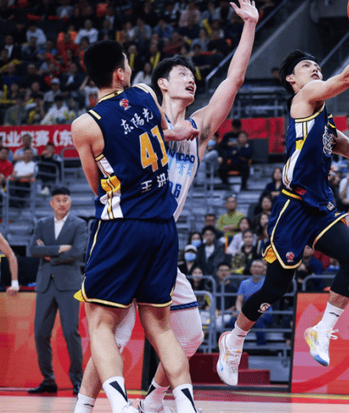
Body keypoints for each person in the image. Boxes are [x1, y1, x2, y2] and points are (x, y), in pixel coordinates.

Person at [216, 10, 349, 386]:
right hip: (293, 206)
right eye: (307, 66)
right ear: (292, 79)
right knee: (275, 288)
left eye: (317, 65)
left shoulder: (325, 120)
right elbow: (348, 78)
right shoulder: (303, 99)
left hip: (319, 206)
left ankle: (322, 329)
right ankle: (234, 339)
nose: (315, 68)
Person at [70, 40, 200, 413]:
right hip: (162, 228)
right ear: (121, 73)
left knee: (101, 326)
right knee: (161, 328)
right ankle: (188, 406)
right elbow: (164, 133)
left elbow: (96, 185)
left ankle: (120, 405)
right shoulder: (145, 94)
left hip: (121, 226)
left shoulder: (85, 125)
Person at [26, 187, 87, 396]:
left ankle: (78, 380)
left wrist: (48, 253)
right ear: (51, 203)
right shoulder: (42, 224)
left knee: (71, 332)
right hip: (45, 284)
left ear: (70, 202)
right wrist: (60, 249)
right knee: (40, 333)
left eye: (65, 199)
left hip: (69, 284)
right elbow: (33, 249)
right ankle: (48, 379)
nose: (61, 203)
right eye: (58, 200)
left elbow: (77, 252)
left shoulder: (79, 224)